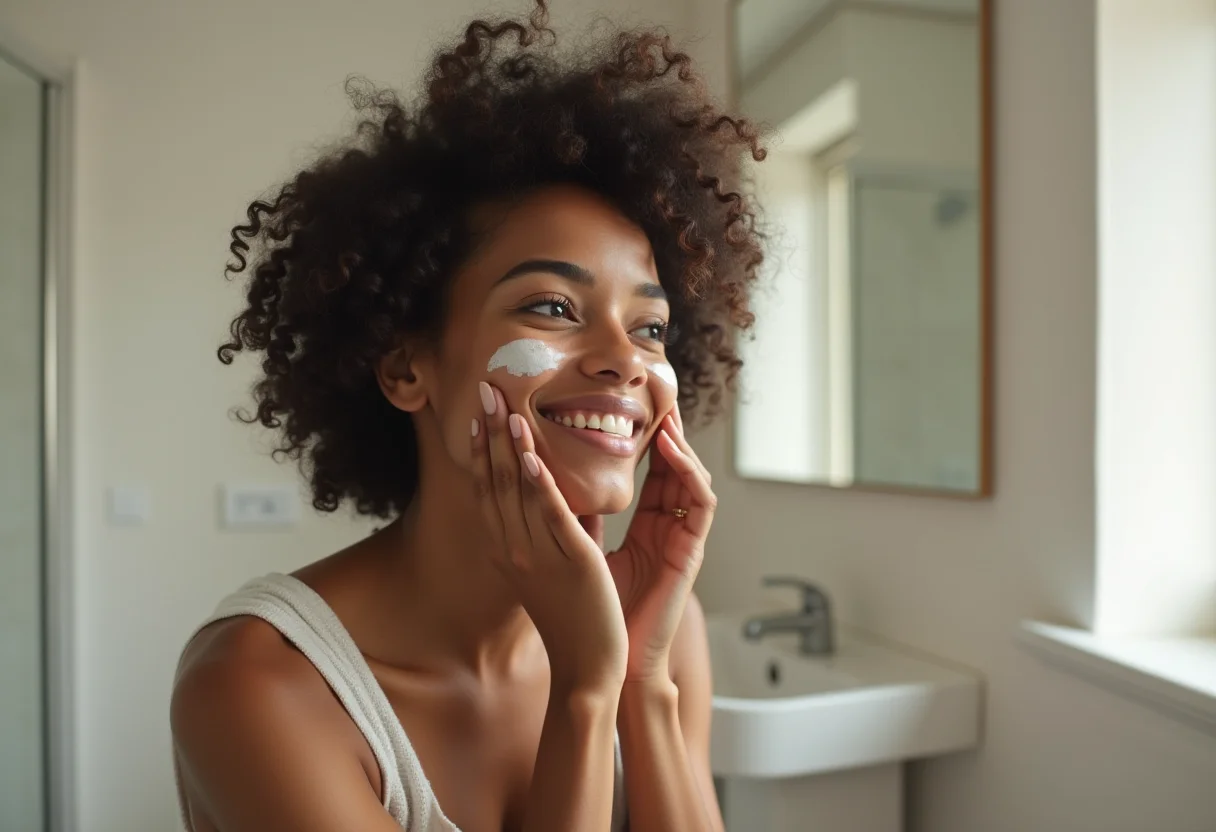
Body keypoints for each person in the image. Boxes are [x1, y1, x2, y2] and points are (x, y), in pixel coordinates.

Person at [170, 2, 765, 829]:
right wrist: (587, 692)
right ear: (408, 368)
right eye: (554, 307)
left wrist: (641, 679)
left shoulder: (661, 628)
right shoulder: (258, 683)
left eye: (651, 326)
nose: (626, 359)